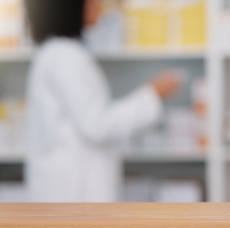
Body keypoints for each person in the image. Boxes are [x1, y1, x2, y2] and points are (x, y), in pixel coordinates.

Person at [24, 0, 180, 202]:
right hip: (73, 197)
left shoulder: (56, 53)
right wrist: (154, 93)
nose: (100, 5)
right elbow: (97, 125)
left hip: (66, 194)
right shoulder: (66, 56)